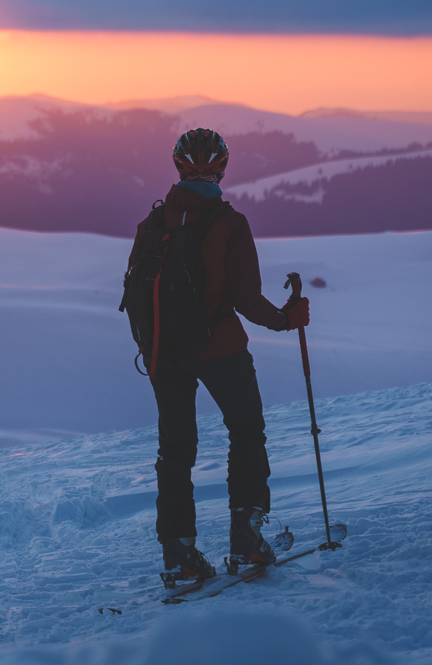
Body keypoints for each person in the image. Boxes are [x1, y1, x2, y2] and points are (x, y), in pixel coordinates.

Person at [124, 128, 310, 581]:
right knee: (246, 431)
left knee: (176, 451)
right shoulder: (229, 224)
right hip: (220, 348)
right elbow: (247, 300)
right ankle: (246, 538)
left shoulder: (150, 225)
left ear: (178, 166)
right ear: (222, 167)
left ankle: (180, 555)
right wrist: (288, 319)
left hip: (162, 353)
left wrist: (152, 346)